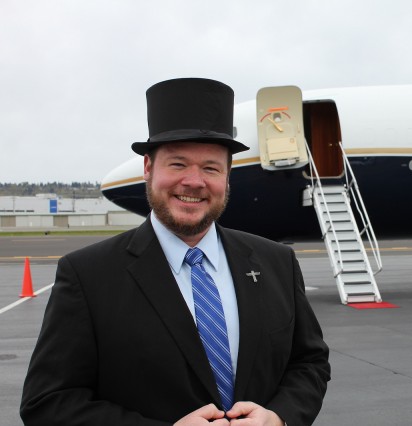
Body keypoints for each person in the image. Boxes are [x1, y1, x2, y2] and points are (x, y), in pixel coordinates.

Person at [21, 78, 331, 426]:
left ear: (228, 177)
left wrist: (278, 418)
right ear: (149, 170)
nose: (194, 181)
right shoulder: (87, 276)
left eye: (211, 168)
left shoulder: (277, 263)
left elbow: (309, 363)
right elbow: (47, 403)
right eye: (178, 164)